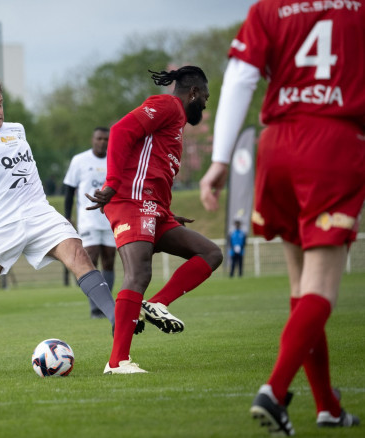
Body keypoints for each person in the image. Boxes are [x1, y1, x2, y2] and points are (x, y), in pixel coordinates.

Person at [199, 1, 363, 434]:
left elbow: (240, 78)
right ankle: (273, 391)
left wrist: (219, 159)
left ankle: (327, 405)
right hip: (333, 140)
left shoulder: (269, 9)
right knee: (322, 288)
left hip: (277, 145)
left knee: (300, 287)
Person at [0, 78, 116, 375]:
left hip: (38, 212)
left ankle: (116, 320)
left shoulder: (17, 130)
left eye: (0, 104)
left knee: (78, 254)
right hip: (0, 223)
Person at [87, 66, 223, 374]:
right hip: (132, 202)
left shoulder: (175, 122)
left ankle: (158, 303)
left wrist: (167, 211)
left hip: (155, 208)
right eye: (205, 97)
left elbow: (153, 166)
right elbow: (121, 130)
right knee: (138, 274)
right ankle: (117, 362)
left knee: (211, 253)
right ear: (194, 93)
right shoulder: (167, 106)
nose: (204, 104)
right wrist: (111, 183)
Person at [63, 127, 117, 318]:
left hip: (111, 218)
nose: (102, 142)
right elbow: (69, 190)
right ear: (92, 139)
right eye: (99, 138)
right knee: (90, 259)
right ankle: (96, 306)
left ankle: (105, 304)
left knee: (109, 260)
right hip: (88, 219)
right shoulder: (80, 160)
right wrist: (68, 216)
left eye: (105, 139)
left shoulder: (115, 159)